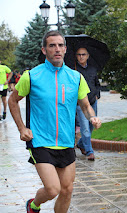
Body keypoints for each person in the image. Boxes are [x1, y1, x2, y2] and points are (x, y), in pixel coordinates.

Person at [8, 31, 102, 213]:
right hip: (40, 140)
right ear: (44, 50)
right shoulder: (32, 76)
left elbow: (85, 105)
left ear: (65, 49)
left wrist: (92, 117)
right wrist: (22, 128)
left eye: (60, 45)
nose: (57, 49)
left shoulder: (75, 77)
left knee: (67, 190)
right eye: (52, 45)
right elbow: (12, 101)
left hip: (67, 142)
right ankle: (33, 204)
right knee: (53, 189)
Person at [73, 47, 100, 161]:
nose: (81, 57)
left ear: (88, 55)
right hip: (81, 104)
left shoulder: (93, 69)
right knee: (85, 128)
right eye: (79, 54)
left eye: (83, 54)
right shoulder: (74, 71)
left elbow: (97, 83)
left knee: (91, 125)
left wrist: (97, 94)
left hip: (92, 102)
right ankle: (90, 152)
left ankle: (81, 143)